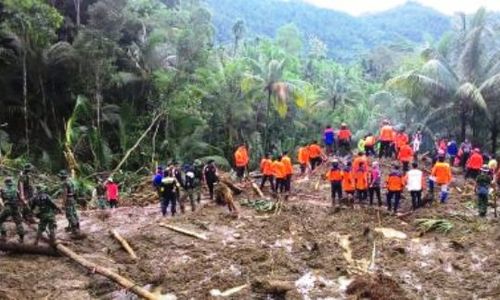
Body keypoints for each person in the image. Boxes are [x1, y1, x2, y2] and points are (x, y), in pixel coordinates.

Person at [0, 177, 25, 243]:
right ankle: (21, 238)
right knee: (18, 222)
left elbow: (1, 198)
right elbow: (21, 199)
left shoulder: (3, 189)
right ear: (11, 182)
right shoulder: (15, 189)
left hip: (8, 207)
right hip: (15, 207)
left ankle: (3, 235)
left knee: (0, 220)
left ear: (5, 182)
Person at [58, 170, 80, 235]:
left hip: (68, 199)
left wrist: (63, 203)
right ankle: (76, 226)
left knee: (69, 214)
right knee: (74, 212)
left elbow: (65, 194)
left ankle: (74, 229)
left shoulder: (64, 183)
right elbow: (75, 191)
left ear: (62, 177)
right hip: (72, 198)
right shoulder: (70, 181)